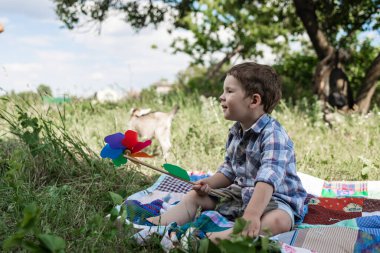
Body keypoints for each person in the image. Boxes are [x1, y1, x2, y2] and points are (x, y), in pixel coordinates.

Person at [147, 62, 307, 241]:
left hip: (275, 199)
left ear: (254, 100)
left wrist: (252, 214)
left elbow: (267, 179)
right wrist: (208, 183)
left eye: (229, 91)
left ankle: (221, 239)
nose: (221, 97)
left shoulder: (274, 135)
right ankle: (156, 226)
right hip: (241, 194)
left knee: (278, 221)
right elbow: (229, 171)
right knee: (195, 196)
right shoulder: (235, 131)